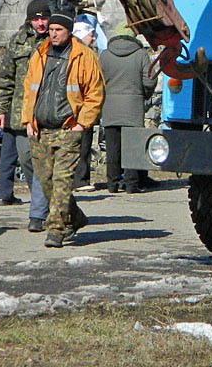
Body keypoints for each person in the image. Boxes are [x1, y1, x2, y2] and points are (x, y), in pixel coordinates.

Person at [21, 12, 104, 248]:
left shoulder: (84, 57)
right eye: (51, 29)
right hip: (40, 129)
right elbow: (29, 89)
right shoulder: (39, 54)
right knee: (46, 182)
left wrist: (81, 124)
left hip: (68, 129)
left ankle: (56, 229)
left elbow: (95, 94)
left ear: (69, 32)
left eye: (59, 29)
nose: (53, 33)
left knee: (61, 181)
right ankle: (75, 217)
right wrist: (28, 121)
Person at [0, 0, 51, 232]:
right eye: (36, 18)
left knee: (44, 163)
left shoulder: (56, 39)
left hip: (49, 113)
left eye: (44, 17)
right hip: (20, 114)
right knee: (27, 160)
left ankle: (39, 213)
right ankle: (44, 203)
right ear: (29, 20)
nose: (41, 23)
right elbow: (4, 78)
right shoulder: (17, 42)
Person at [99, 26, 157, 193]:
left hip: (110, 106)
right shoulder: (140, 54)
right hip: (133, 105)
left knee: (112, 148)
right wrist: (144, 94)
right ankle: (132, 184)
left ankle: (112, 184)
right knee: (132, 146)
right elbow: (149, 79)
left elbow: (97, 80)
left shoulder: (105, 55)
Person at [70, 20, 99, 190]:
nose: (94, 39)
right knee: (82, 145)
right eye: (91, 35)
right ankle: (80, 180)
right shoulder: (83, 54)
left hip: (79, 105)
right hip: (80, 106)